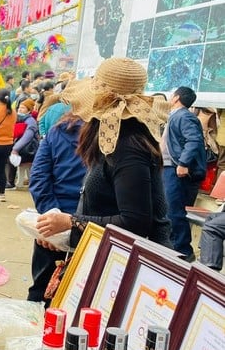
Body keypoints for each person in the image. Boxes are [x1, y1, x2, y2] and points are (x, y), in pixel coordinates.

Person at [36, 58, 172, 249]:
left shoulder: (128, 148)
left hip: (120, 262)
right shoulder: (113, 139)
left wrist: (70, 222)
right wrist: (63, 234)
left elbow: (135, 222)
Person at [27, 112, 86, 305]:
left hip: (56, 222)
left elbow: (38, 179)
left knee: (41, 291)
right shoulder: (113, 137)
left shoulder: (58, 131)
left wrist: (53, 222)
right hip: (89, 230)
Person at [162, 86, 206, 261]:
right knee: (168, 210)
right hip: (168, 168)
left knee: (174, 211)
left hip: (176, 171)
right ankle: (172, 248)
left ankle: (183, 252)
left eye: (172, 95)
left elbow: (194, 140)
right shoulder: (176, 116)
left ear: (176, 98)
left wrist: (183, 163)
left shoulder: (184, 116)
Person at [7, 98, 38, 189]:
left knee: (10, 158)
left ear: (29, 110)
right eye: (19, 107)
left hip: (29, 150)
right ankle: (11, 181)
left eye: (23, 108)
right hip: (22, 147)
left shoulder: (30, 121)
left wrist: (15, 149)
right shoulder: (19, 119)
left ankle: (10, 182)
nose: (20, 109)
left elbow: (27, 137)